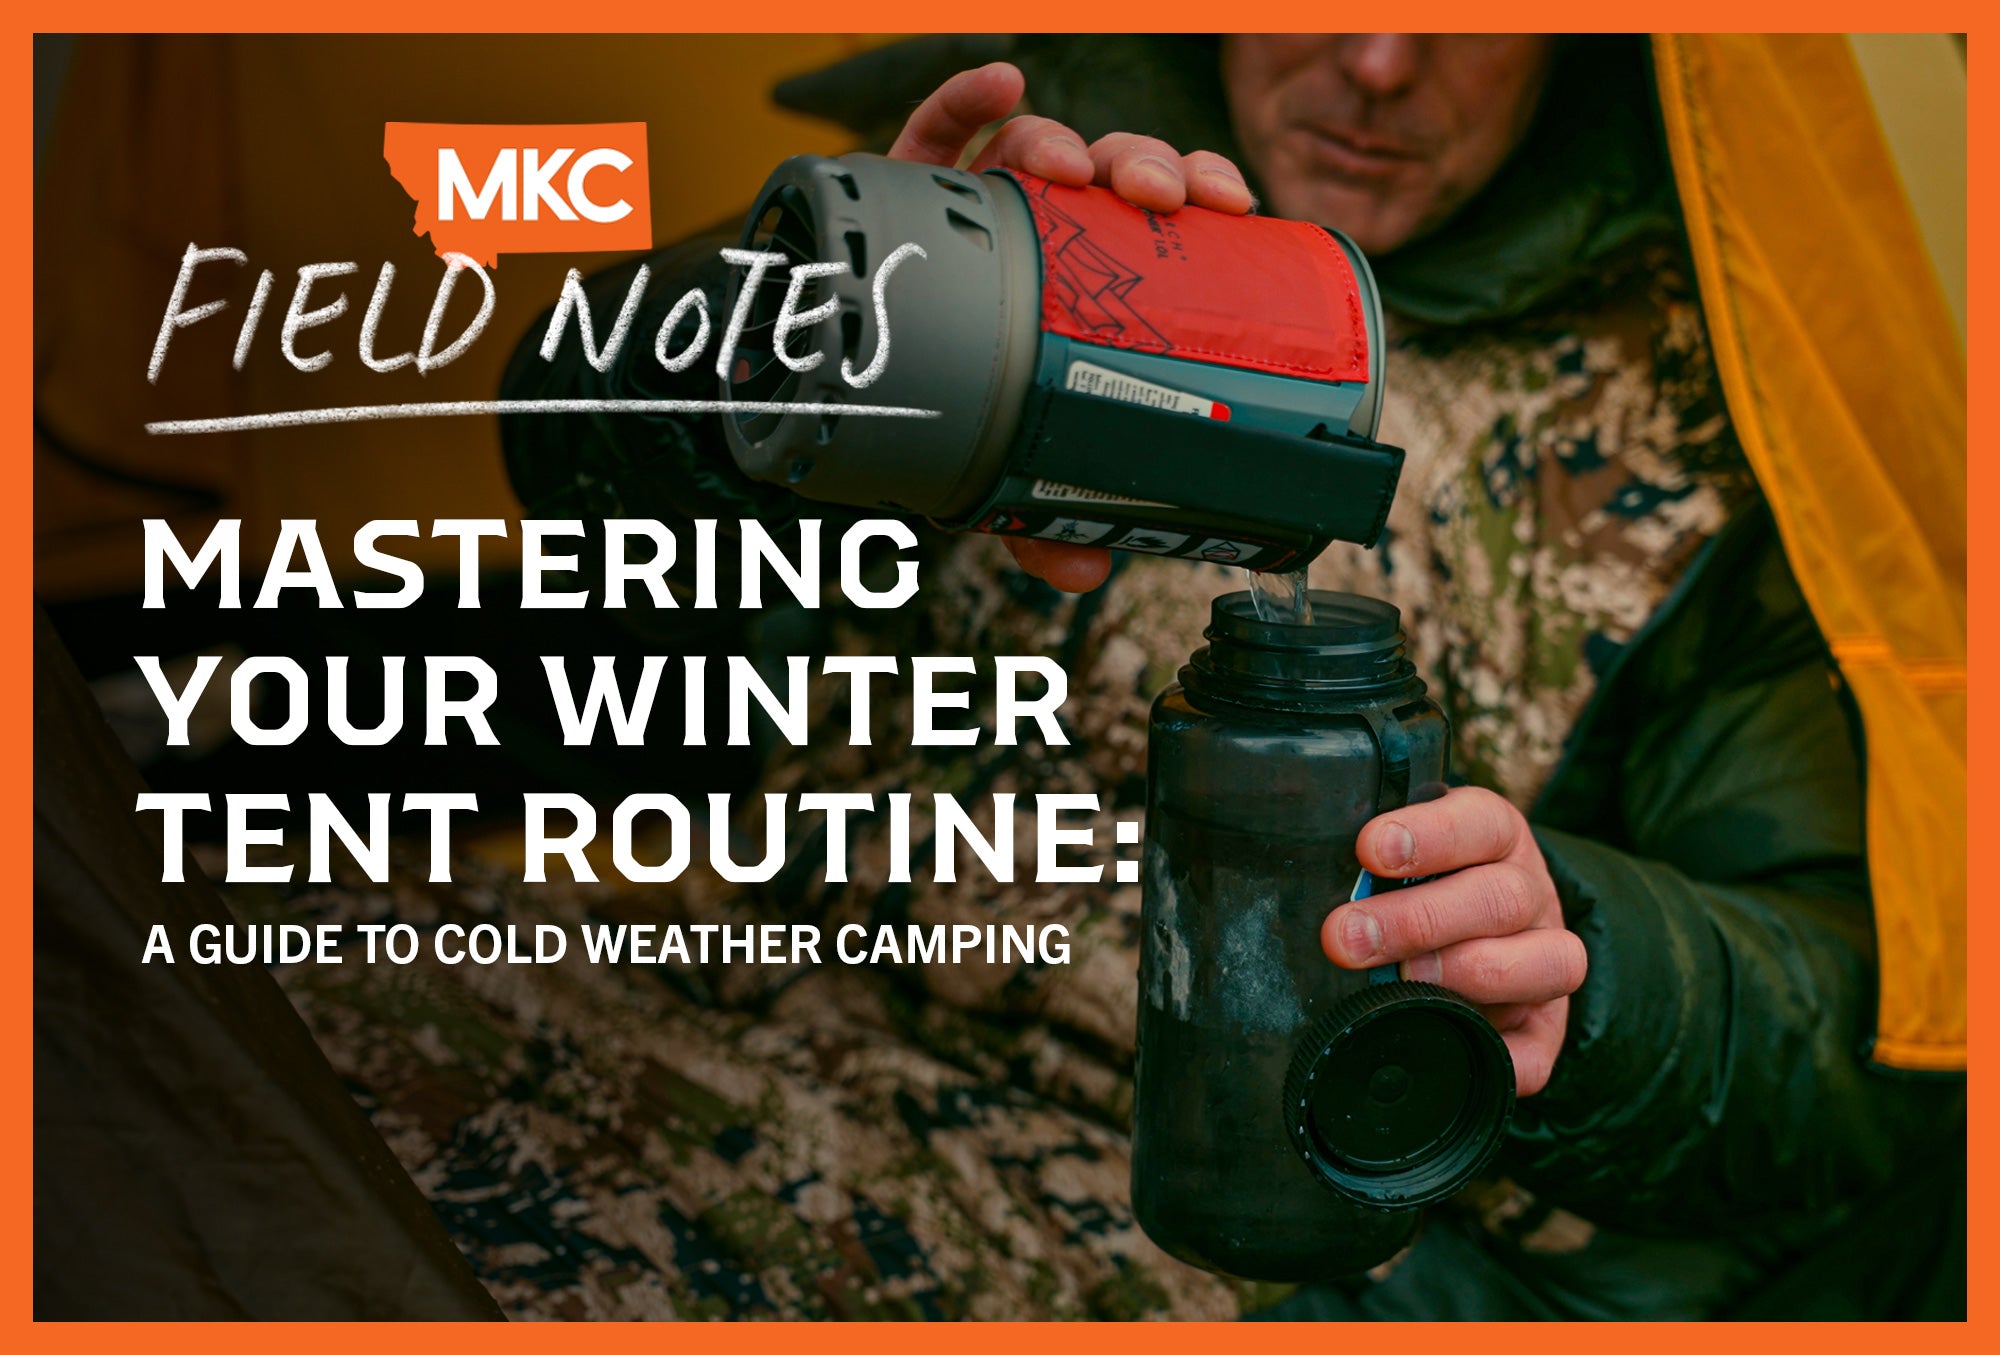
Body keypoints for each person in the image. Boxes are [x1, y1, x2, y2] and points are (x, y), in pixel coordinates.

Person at [268, 35, 1961, 1319]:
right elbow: (577, 446)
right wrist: (758, 351)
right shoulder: (1006, 207)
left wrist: (1582, 963)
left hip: (1181, 1206)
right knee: (202, 1035)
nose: (1379, 58)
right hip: (732, 982)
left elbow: (1859, 1041)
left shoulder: (1734, 413)